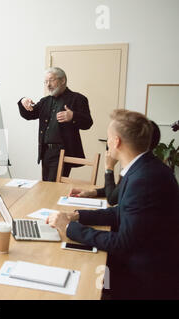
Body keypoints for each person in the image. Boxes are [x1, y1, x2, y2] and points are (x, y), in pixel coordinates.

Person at [47, 110, 179, 299]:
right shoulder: (143, 167)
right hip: (143, 261)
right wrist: (77, 215)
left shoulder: (145, 178)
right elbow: (121, 211)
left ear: (116, 141)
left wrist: (69, 228)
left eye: (109, 138)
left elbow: (123, 243)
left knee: (75, 277)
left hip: (143, 278)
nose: (107, 143)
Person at [17, 67, 93, 181]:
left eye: (51, 80)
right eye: (46, 81)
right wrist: (22, 101)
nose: (48, 85)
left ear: (62, 80)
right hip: (45, 152)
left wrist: (73, 116)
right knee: (46, 185)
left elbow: (88, 123)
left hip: (63, 152)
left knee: (53, 187)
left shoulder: (78, 99)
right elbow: (29, 115)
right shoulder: (45, 101)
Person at [69, 120, 161, 206]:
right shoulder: (142, 162)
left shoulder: (142, 172)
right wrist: (92, 192)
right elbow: (118, 191)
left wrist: (109, 167)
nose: (108, 142)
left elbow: (113, 199)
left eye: (110, 137)